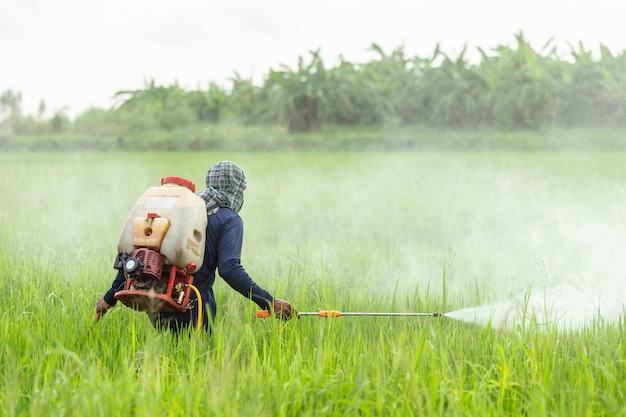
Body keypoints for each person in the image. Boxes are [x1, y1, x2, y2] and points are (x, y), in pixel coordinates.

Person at [95, 160, 297, 333]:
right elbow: (229, 269)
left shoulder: (180, 211)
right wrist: (269, 302)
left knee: (168, 363)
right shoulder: (229, 219)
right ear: (235, 188)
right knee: (194, 365)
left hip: (158, 299)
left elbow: (136, 252)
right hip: (194, 304)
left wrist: (109, 297)